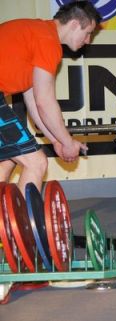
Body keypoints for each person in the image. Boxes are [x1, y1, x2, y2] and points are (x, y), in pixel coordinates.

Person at [0, 1, 101, 196]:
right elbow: (44, 102)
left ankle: (5, 224)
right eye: (88, 32)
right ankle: (23, 226)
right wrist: (68, 142)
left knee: (8, 159)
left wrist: (56, 140)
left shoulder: (36, 34)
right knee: (36, 162)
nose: (88, 40)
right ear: (73, 24)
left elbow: (33, 101)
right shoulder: (47, 40)